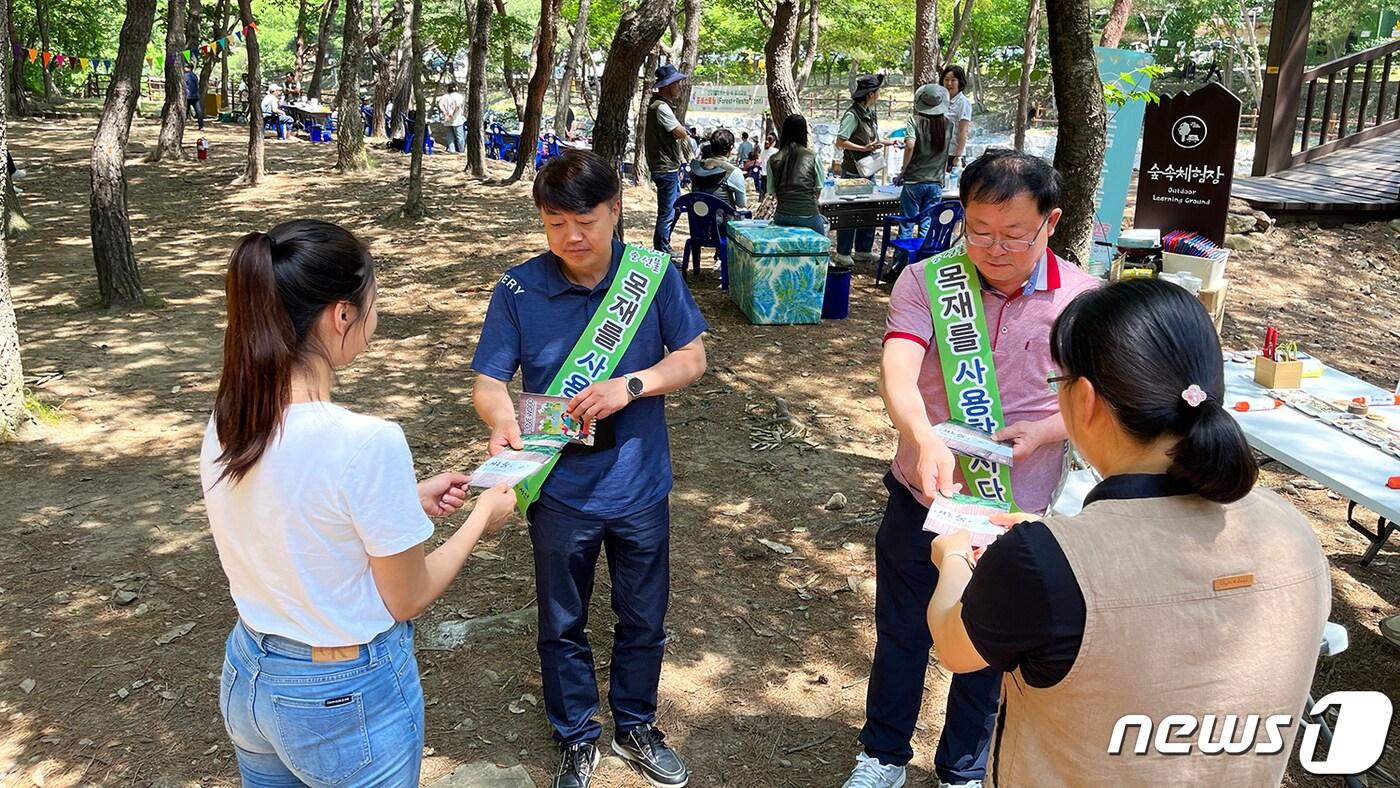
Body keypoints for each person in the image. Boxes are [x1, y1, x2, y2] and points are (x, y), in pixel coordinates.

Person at [926, 279, 1330, 785]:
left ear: (1087, 400)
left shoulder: (1042, 563)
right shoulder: (1291, 530)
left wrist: (955, 559)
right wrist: (1054, 545)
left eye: (1060, 383)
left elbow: (955, 646)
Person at [200, 219, 518, 784]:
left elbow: (294, 515)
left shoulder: (230, 419)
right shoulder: (365, 440)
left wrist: (404, 500)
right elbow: (408, 597)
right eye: (372, 300)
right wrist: (479, 518)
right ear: (341, 314)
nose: (375, 316)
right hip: (341, 693)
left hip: (251, 671)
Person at [843, 149, 1099, 788]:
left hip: (1016, 508)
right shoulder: (926, 281)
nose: (994, 247)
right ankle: (882, 757)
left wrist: (1043, 432)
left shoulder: (1084, 299)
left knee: (990, 645)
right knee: (902, 630)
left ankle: (961, 767)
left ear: (1051, 221)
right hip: (923, 490)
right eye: (979, 230)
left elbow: (1100, 396)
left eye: (1015, 234)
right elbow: (900, 367)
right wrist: (920, 434)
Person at [471, 150, 708, 788]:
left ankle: (636, 723)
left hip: (638, 484)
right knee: (561, 617)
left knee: (643, 615)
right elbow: (490, 382)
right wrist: (501, 419)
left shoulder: (653, 277)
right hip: (558, 489)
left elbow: (691, 357)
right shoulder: (519, 287)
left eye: (586, 221)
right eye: (554, 224)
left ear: (615, 212)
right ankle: (577, 734)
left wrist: (631, 384)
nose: (572, 237)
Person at [891, 84, 953, 275]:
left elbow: (910, 145)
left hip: (914, 182)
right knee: (927, 224)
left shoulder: (914, 121)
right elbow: (945, 154)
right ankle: (923, 268)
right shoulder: (948, 124)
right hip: (936, 183)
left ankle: (899, 269)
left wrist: (903, 171)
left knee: (907, 224)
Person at [834, 73, 895, 267]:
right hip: (853, 171)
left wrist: (890, 142)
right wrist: (863, 149)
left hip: (868, 170)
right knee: (849, 212)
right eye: (877, 92)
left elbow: (872, 139)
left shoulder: (869, 113)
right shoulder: (852, 115)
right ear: (870, 94)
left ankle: (863, 250)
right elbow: (841, 141)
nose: (878, 95)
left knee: (869, 211)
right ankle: (843, 251)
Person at [643, 65, 693, 260]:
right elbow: (679, 132)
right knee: (668, 210)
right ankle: (662, 250)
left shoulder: (660, 105)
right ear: (667, 86)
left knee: (676, 206)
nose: (679, 86)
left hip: (665, 165)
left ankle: (664, 244)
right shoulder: (661, 107)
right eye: (676, 83)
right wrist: (684, 131)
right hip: (665, 167)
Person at [765, 114, 827, 237]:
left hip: (782, 216)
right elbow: (818, 190)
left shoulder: (773, 159)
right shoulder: (813, 157)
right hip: (808, 216)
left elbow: (772, 192)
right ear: (804, 133)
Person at [689, 128, 748, 214]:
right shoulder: (733, 172)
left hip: (698, 222)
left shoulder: (696, 167)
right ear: (731, 148)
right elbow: (741, 204)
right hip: (723, 223)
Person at [941, 65, 973, 172]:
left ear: (960, 82)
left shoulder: (963, 103)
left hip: (953, 154)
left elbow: (963, 131)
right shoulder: (941, 100)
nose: (949, 83)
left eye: (953, 80)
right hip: (939, 152)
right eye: (946, 80)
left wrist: (957, 157)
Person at [438, 82, 467, 153]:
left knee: (449, 136)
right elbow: (457, 106)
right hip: (457, 119)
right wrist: (451, 114)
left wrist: (445, 113)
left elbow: (440, 105)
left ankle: (452, 150)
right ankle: (461, 151)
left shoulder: (445, 96)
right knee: (460, 136)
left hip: (447, 120)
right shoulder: (458, 96)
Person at [183, 62, 204, 131]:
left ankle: (182, 124)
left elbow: (185, 85)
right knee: (198, 111)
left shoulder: (185, 76)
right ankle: (201, 125)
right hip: (196, 95)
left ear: (189, 68)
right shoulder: (195, 75)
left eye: (185, 67)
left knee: (185, 111)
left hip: (188, 96)